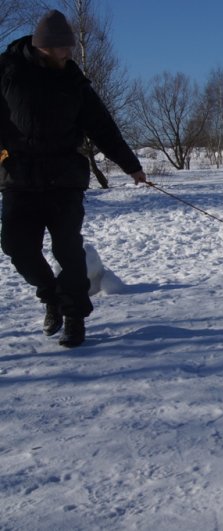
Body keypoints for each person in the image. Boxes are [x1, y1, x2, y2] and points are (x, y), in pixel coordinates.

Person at [0, 10, 147, 347]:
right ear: (43, 47)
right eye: (62, 48)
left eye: (69, 47)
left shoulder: (73, 81)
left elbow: (103, 127)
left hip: (64, 177)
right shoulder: (6, 71)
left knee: (68, 250)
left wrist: (131, 165)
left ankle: (75, 317)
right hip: (19, 177)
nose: (68, 53)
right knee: (16, 247)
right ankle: (50, 295)